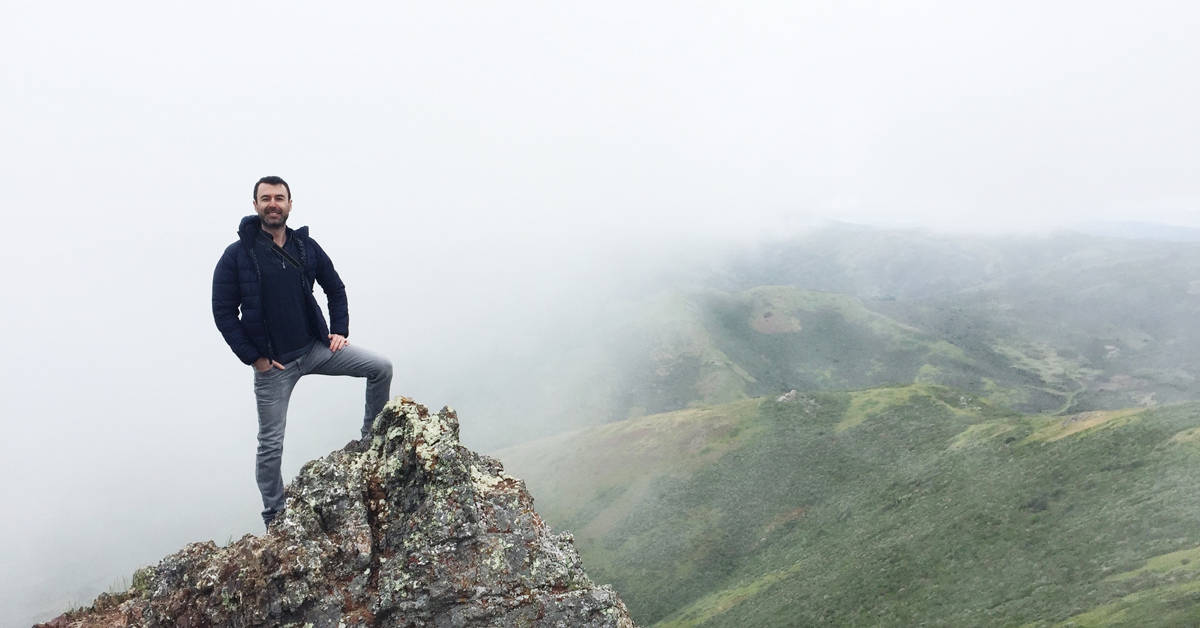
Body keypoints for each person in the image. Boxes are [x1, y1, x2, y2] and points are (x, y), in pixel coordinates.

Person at [212, 175, 392, 529]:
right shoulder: (236, 257)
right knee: (270, 445)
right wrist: (254, 357)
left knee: (381, 367)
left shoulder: (305, 247)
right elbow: (223, 312)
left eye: (279, 198)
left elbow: (334, 287)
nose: (273, 204)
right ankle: (274, 516)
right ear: (255, 206)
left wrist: (339, 330)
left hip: (315, 348)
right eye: (266, 198)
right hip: (273, 366)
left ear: (290, 204)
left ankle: (371, 440)